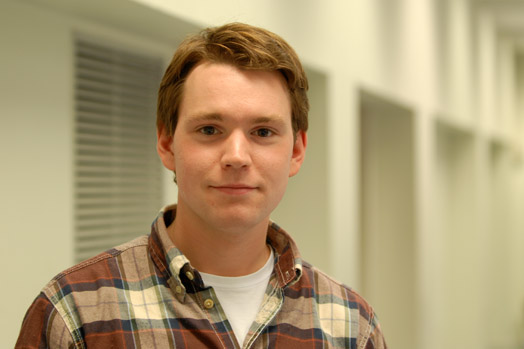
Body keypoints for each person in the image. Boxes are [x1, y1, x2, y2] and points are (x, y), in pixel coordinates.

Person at [16, 22, 387, 348]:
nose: (237, 156)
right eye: (210, 129)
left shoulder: (350, 326)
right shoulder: (76, 313)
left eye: (263, 132)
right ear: (166, 144)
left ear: (296, 151)